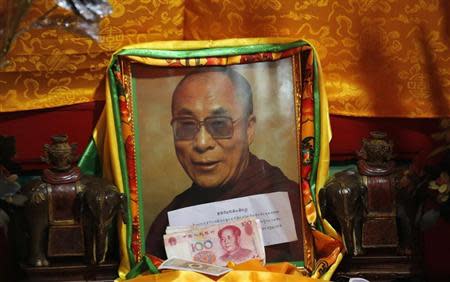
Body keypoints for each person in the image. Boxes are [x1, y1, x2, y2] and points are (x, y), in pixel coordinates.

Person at [146, 68, 304, 262]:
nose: (202, 143)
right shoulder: (168, 222)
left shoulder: (289, 205)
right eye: (186, 125)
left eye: (219, 124)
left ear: (249, 129)